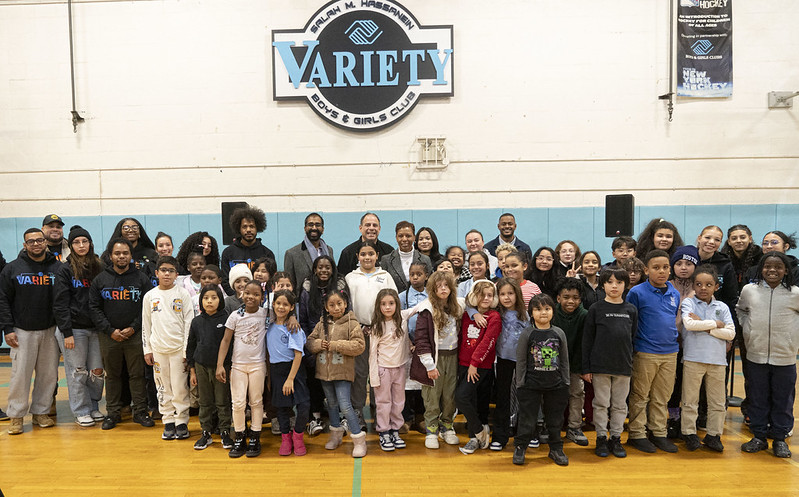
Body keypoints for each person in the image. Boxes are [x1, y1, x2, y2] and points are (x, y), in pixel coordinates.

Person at [88, 237, 155, 430]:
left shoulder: (141, 278)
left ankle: (140, 411)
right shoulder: (100, 279)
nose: (121, 256)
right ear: (110, 256)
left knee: (137, 375)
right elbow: (94, 308)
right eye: (117, 253)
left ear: (131, 255)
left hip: (135, 335)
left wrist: (134, 327)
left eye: (125, 253)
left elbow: (148, 307)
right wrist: (110, 330)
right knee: (113, 376)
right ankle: (113, 413)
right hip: (109, 336)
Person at [0, 228, 63, 435]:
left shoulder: (57, 268)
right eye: (31, 241)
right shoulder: (12, 269)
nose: (36, 244)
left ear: (45, 242)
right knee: (20, 376)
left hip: (50, 330)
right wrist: (8, 329)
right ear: (25, 245)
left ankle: (41, 413)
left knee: (48, 376)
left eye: (39, 240)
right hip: (22, 331)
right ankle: (16, 416)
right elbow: (3, 300)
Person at [737, 252, 799, 459]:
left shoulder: (795, 293)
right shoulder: (749, 290)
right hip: (756, 355)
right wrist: (748, 329)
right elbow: (740, 310)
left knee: (783, 399)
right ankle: (759, 436)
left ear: (786, 270)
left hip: (785, 357)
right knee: (757, 398)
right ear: (761, 269)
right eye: (767, 266)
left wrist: (793, 337)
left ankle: (780, 438)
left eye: (778, 267)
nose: (772, 270)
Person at [625, 249, 680, 453]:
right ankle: (637, 433)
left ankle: (658, 432)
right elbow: (631, 322)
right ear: (646, 270)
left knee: (662, 396)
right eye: (656, 268)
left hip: (670, 352)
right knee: (640, 395)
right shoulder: (636, 293)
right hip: (645, 351)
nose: (662, 271)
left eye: (665, 267)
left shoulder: (674, 293)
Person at [53, 226, 105, 427]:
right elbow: (60, 303)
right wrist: (67, 332)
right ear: (71, 245)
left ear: (90, 243)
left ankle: (93, 405)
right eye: (76, 242)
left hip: (96, 328)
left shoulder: (99, 267)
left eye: (85, 241)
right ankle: (81, 410)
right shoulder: (65, 269)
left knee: (97, 371)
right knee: (78, 371)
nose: (81, 245)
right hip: (74, 329)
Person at [582, 267, 637, 458]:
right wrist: (586, 368)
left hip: (623, 366)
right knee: (601, 403)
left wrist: (630, 361)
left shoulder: (630, 309)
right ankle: (600, 437)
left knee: (620, 405)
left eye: (619, 282)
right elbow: (587, 340)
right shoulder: (595, 309)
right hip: (600, 366)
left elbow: (632, 337)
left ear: (625, 285)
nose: (614, 286)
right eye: (610, 282)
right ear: (603, 285)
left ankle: (615, 437)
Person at [679, 265, 735, 452]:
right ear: (693, 286)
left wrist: (706, 327)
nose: (703, 288)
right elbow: (689, 324)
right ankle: (689, 433)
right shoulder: (689, 303)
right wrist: (716, 324)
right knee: (690, 401)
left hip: (717, 361)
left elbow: (730, 333)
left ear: (716, 287)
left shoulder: (722, 307)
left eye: (709, 284)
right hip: (693, 359)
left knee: (717, 402)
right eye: (699, 284)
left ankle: (714, 435)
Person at [306, 290, 367, 457]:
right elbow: (309, 342)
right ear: (326, 307)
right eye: (331, 305)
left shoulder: (352, 323)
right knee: (331, 404)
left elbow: (359, 345)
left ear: (345, 304)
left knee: (345, 405)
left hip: (342, 373)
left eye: (339, 303)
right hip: (324, 373)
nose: (336, 308)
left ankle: (359, 439)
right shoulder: (321, 324)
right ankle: (335, 435)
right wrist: (318, 344)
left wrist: (336, 345)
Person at [512, 294, 571, 467]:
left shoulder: (559, 333)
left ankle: (556, 449)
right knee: (527, 420)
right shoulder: (527, 334)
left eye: (547, 308)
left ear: (553, 311)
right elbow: (521, 361)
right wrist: (521, 384)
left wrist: (566, 382)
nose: (543, 313)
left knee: (555, 420)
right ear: (531, 313)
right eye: (538, 309)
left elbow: (564, 360)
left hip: (556, 385)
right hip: (531, 385)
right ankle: (520, 447)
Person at [344, 241, 398, 429]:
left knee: (380, 372)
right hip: (358, 332)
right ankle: (358, 411)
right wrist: (357, 326)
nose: (367, 257)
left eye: (370, 254)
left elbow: (393, 301)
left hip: (381, 332)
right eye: (363, 254)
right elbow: (346, 305)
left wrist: (381, 325)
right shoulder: (351, 278)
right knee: (360, 373)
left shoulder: (385, 276)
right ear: (357, 257)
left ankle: (379, 411)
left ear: (377, 256)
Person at [142, 255, 195, 441]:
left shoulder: (183, 294)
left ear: (176, 274)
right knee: (162, 387)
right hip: (158, 350)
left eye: (171, 271)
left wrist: (186, 351)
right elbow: (146, 325)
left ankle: (181, 421)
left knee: (180, 387)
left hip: (178, 349)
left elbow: (189, 323)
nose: (167, 274)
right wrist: (147, 350)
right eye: (163, 270)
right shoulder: (150, 296)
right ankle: (168, 420)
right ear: (157, 273)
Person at [409, 271, 463, 449]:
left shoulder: (457, 306)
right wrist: (429, 366)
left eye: (446, 285)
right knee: (432, 396)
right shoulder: (426, 310)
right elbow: (421, 340)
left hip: (453, 356)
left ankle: (447, 426)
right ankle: (431, 429)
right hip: (435, 359)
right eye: (439, 286)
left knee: (450, 395)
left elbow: (472, 301)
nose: (443, 289)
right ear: (432, 289)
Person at [216, 280, 267, 459]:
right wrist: (220, 365)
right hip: (238, 365)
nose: (251, 297)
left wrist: (291, 318)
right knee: (237, 403)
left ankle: (255, 437)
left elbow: (284, 316)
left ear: (262, 297)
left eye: (256, 294)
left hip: (258, 365)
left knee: (256, 401)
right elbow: (225, 341)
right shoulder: (235, 316)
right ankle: (239, 436)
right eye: (248, 293)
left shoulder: (265, 314)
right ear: (241, 294)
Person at [456, 280, 502, 455]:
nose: (486, 298)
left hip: (479, 366)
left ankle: (479, 431)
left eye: (490, 295)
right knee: (471, 401)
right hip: (463, 363)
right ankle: (475, 438)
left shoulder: (494, 317)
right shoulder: (467, 315)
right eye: (482, 295)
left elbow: (488, 342)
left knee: (461, 397)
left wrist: (474, 363)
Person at [187, 285, 233, 451]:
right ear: (201, 301)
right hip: (201, 366)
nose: (209, 301)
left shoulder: (227, 319)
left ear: (220, 300)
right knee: (205, 401)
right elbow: (191, 346)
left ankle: (225, 430)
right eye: (206, 298)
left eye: (214, 297)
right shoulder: (196, 321)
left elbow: (230, 345)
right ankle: (206, 432)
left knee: (222, 400)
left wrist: (229, 367)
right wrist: (192, 370)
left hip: (222, 367)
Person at [268, 290, 310, 456]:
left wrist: (290, 379)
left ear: (292, 307)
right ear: (273, 304)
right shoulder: (268, 324)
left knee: (304, 405)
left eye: (285, 304)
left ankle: (298, 436)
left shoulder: (293, 327)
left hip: (294, 370)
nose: (281, 307)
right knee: (282, 407)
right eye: (278, 303)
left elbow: (298, 355)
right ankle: (286, 438)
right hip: (276, 370)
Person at [369, 289, 412, 452]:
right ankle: (384, 431)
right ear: (378, 306)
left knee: (398, 402)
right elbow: (372, 353)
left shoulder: (403, 318)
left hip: (399, 368)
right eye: (384, 304)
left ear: (397, 304)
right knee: (383, 402)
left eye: (391, 303)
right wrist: (374, 377)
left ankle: (395, 430)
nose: (387, 307)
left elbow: (420, 306)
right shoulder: (377, 326)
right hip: (383, 370)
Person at [490, 278, 529, 451]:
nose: (506, 297)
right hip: (503, 359)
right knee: (502, 397)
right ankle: (500, 436)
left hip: (522, 361)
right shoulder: (496, 314)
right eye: (502, 294)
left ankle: (526, 434)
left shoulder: (526, 315)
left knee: (524, 397)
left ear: (517, 294)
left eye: (510, 293)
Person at [553, 277, 589, 447]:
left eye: (575, 298)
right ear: (558, 298)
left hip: (576, 363)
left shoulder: (584, 315)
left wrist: (581, 367)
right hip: (553, 364)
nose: (570, 301)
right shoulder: (551, 313)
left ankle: (574, 427)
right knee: (552, 395)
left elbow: (585, 343)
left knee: (577, 393)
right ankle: (551, 426)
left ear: (580, 299)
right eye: (566, 297)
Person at [399, 261, 428, 434]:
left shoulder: (431, 295)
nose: (415, 277)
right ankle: (406, 418)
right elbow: (399, 321)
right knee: (406, 384)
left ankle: (421, 417)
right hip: (407, 345)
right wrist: (408, 342)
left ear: (426, 276)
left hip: (425, 345)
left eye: (419, 274)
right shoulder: (403, 297)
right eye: (412, 274)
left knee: (422, 382)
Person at [220, 205, 275, 294]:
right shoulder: (228, 253)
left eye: (252, 226)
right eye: (244, 227)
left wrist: (258, 297)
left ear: (257, 228)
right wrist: (238, 297)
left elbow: (271, 281)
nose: (248, 230)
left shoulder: (267, 253)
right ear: (239, 228)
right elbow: (225, 281)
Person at [284, 213, 334, 298]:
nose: (314, 228)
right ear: (305, 228)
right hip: (303, 302)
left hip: (328, 300)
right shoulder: (292, 254)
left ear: (322, 229)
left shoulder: (329, 250)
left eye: (317, 225)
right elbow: (289, 285)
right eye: (310, 225)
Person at [380, 221, 432, 293]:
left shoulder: (425, 259)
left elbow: (429, 285)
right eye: (400, 236)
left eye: (408, 236)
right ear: (396, 238)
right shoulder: (386, 260)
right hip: (395, 299)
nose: (404, 239)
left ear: (414, 237)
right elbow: (383, 285)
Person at [720, 224, 762, 293]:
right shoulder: (723, 258)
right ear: (729, 242)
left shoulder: (760, 257)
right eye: (734, 238)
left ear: (750, 239)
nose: (738, 241)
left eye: (743, 237)